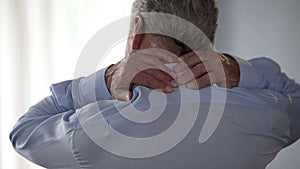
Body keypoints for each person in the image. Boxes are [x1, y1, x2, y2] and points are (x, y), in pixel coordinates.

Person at [10, 0, 300, 169]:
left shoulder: (95, 129)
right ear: (210, 39)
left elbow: (24, 132)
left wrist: (106, 81)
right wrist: (240, 69)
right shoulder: (264, 116)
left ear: (136, 33)